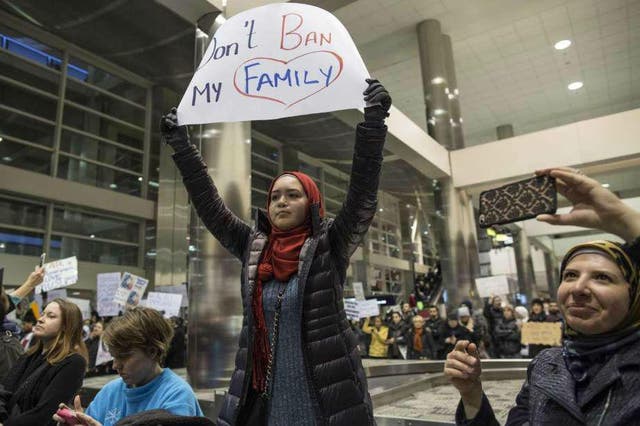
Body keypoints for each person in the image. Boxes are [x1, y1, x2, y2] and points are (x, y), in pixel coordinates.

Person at [160, 79, 391, 426]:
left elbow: (362, 197)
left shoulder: (330, 243)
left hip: (325, 402)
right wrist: (182, 147)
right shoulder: (256, 247)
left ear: (311, 202)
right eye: (275, 196)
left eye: (293, 194)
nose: (281, 201)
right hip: (265, 405)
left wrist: (373, 124)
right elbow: (210, 207)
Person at [444, 167, 640, 425]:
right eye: (570, 275)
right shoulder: (546, 366)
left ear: (634, 293)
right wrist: (472, 397)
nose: (578, 288)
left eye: (602, 277)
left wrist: (622, 219)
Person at [54, 307, 203, 426]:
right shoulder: (110, 392)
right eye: (113, 356)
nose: (115, 365)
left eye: (123, 356)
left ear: (152, 351)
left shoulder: (177, 397)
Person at [0, 298, 87, 426]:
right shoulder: (28, 356)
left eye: (51, 316)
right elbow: (3, 392)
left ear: (65, 326)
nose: (40, 319)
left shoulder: (73, 362)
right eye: (42, 314)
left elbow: (45, 413)